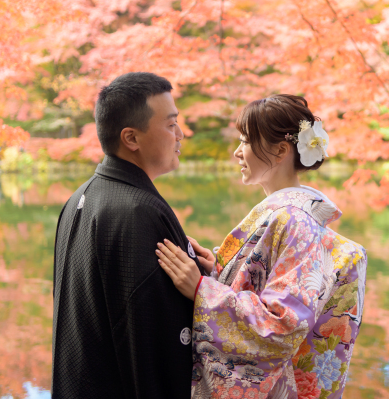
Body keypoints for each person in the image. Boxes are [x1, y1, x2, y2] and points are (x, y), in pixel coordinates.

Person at [157, 94, 367, 399]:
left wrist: (202, 290)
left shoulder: (294, 219)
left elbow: (284, 323)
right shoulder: (288, 214)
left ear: (281, 150)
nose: (237, 152)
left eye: (245, 141)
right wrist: (218, 271)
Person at [52, 72, 205, 399]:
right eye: (170, 124)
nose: (180, 134)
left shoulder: (80, 197)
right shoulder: (139, 211)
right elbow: (156, 340)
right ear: (131, 138)